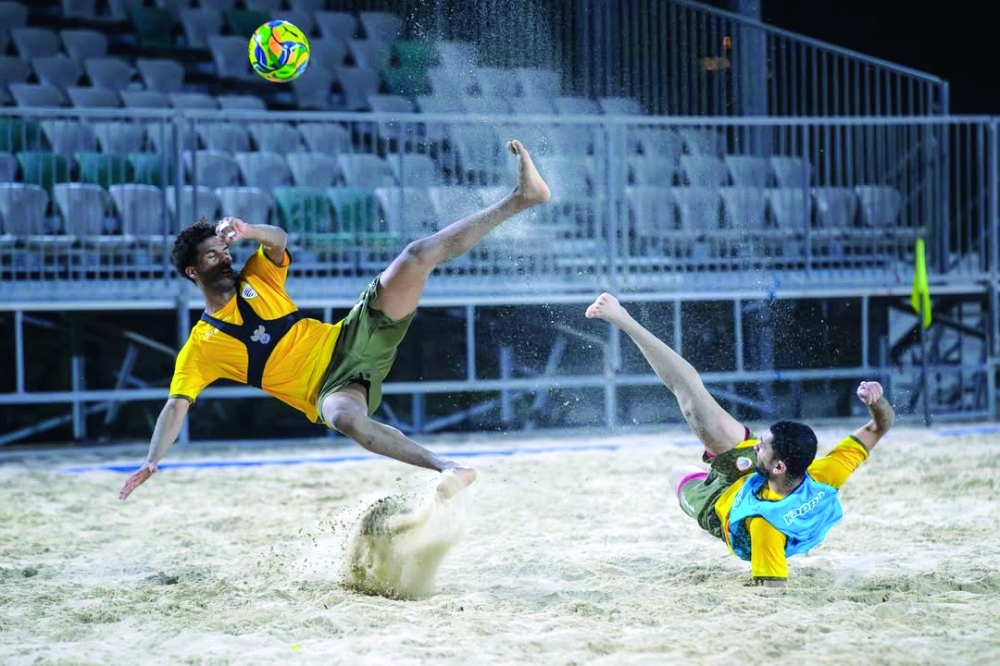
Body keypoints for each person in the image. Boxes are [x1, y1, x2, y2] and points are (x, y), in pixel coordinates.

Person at [119, 140, 551, 502]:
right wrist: (152, 459)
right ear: (193, 272)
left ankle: (522, 198)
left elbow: (279, 240)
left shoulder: (256, 274)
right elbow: (175, 407)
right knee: (344, 418)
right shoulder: (202, 346)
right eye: (213, 256)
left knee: (416, 255)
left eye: (224, 250)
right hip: (327, 389)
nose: (225, 259)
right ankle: (448, 467)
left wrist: (247, 230)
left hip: (351, 334)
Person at [584, 292, 896, 587]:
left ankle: (698, 477)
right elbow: (882, 425)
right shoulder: (826, 473)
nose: (758, 443)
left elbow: (772, 587)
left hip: (719, 506)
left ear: (778, 466)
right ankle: (624, 319)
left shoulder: (766, 527)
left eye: (764, 445)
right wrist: (876, 403)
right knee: (692, 397)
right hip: (750, 472)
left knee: (676, 475)